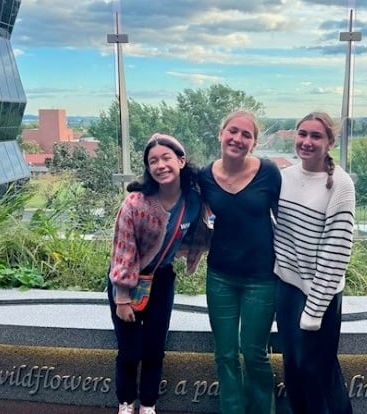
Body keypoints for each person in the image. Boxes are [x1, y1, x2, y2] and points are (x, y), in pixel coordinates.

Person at [107, 133, 208, 414]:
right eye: (153, 161)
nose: (160, 165)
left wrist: (192, 252)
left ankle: (148, 404)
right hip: (127, 280)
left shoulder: (193, 201)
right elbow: (122, 251)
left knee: (154, 348)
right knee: (130, 350)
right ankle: (126, 402)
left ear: (181, 161)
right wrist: (123, 297)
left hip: (162, 280)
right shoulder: (136, 203)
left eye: (166, 158)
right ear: (148, 168)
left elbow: (205, 229)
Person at [198, 110, 281, 414]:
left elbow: (288, 218)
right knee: (225, 355)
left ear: (254, 143)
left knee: (254, 353)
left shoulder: (269, 173)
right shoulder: (204, 176)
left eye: (247, 135)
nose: (238, 138)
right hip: (220, 277)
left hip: (261, 279)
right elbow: (174, 196)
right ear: (220, 134)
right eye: (233, 131)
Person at [273, 112, 355, 414]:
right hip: (287, 291)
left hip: (318, 296)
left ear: (330, 142)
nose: (307, 141)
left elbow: (336, 253)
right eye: (302, 134)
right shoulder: (285, 178)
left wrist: (314, 310)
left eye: (316, 136)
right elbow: (279, 232)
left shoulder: (341, 185)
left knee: (319, 376)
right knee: (293, 371)